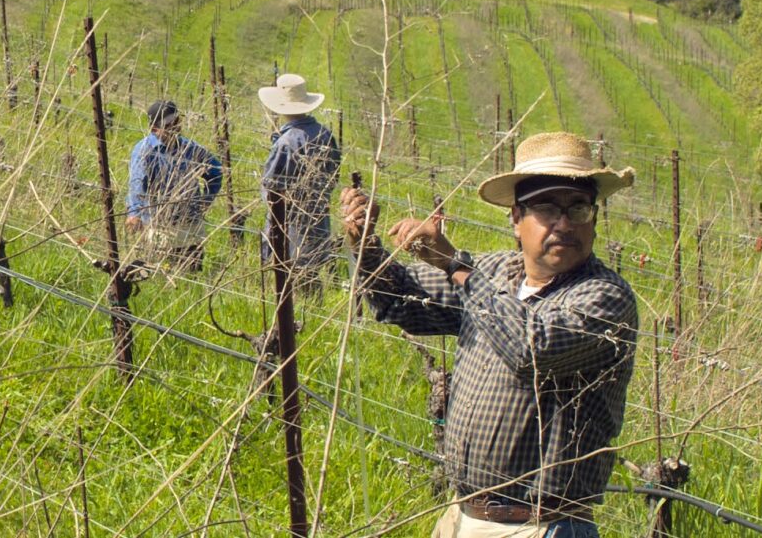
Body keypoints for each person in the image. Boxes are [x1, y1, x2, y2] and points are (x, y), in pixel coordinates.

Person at [338, 131, 639, 537]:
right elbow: (402, 303)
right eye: (547, 209)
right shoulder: (498, 272)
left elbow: (530, 349)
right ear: (516, 218)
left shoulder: (605, 297)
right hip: (464, 515)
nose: (564, 224)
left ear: (595, 219)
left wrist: (456, 267)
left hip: (542, 525)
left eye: (579, 209)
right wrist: (365, 244)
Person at [258, 73, 343, 283]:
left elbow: (272, 191)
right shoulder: (324, 133)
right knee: (310, 277)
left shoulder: (286, 143)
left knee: (291, 281)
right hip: (318, 219)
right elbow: (333, 176)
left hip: (289, 225)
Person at [125, 98, 223, 272]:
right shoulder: (144, 150)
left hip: (189, 221)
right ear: (154, 129)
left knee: (192, 269)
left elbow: (215, 171)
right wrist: (135, 213)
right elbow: (137, 184)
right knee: (161, 269)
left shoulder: (190, 148)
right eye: (169, 124)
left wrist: (204, 201)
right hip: (159, 221)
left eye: (177, 121)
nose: (176, 127)